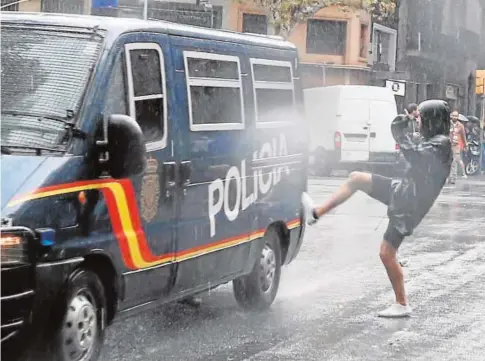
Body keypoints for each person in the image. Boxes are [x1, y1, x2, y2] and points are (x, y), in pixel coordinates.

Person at [301, 100, 452, 318]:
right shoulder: (433, 140)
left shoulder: (441, 143)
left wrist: (401, 135)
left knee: (386, 253)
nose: (418, 123)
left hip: (409, 205)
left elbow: (417, 157)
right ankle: (316, 213)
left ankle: (401, 303)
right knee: (356, 179)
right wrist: (402, 127)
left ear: (432, 119)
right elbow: (412, 150)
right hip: (402, 191)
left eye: (421, 118)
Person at [449, 110, 468, 183]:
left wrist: (465, 145)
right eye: (453, 116)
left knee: (454, 162)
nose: (455, 117)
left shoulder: (460, 126)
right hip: (448, 145)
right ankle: (448, 177)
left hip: (456, 146)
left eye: (456, 116)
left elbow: (463, 136)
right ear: (451, 116)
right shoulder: (447, 124)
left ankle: (453, 178)